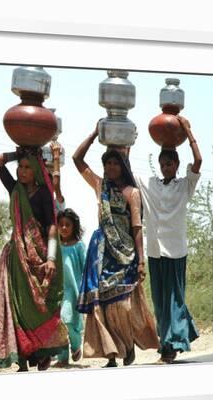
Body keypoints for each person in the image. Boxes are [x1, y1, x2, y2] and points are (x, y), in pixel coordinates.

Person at [73, 123, 159, 368]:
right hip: (101, 252)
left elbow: (136, 227)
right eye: (107, 163)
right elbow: (77, 159)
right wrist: (93, 134)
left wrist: (141, 260)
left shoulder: (132, 193)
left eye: (115, 163)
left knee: (122, 304)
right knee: (102, 303)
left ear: (123, 166)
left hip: (126, 253)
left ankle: (128, 344)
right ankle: (111, 352)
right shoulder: (101, 186)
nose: (110, 168)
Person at [0, 147, 69, 372]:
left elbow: (52, 225)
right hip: (17, 257)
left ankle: (42, 352)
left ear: (36, 171)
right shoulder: (14, 189)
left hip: (40, 256)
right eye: (20, 167)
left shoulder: (43, 194)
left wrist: (51, 258)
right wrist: (20, 152)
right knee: (19, 306)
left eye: (27, 168)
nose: (22, 172)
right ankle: (22, 358)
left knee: (40, 306)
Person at [134, 115, 201, 364]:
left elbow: (199, 160)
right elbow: (127, 169)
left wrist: (187, 130)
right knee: (161, 302)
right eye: (162, 164)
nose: (165, 167)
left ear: (176, 164)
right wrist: (129, 140)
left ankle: (170, 348)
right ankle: (172, 340)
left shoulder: (185, 186)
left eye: (170, 164)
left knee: (175, 300)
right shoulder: (149, 184)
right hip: (154, 252)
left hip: (176, 251)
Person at [53, 208, 86, 367]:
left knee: (69, 321)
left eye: (68, 225)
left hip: (74, 290)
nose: (64, 228)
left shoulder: (79, 246)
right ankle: (63, 357)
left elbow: (85, 268)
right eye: (61, 225)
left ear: (74, 227)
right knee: (61, 322)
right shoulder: (55, 246)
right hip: (59, 291)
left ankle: (76, 343)